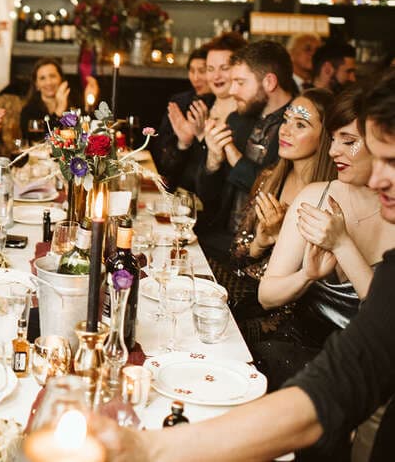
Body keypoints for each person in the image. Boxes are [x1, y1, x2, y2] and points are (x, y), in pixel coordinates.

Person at [97, 71, 395, 462]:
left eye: (388, 159)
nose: (375, 178)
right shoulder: (309, 189)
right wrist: (149, 447)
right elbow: (334, 387)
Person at [255, 85, 395, 392]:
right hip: (303, 340)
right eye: (332, 140)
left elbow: (385, 319)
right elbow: (266, 296)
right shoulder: (316, 197)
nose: (333, 152)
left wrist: (342, 244)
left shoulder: (391, 212)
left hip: (366, 359)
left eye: (349, 141)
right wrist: (307, 275)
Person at [221, 89, 336, 344]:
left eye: (300, 125)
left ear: (326, 137)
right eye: (286, 120)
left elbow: (317, 285)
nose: (285, 131)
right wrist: (260, 242)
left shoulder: (329, 197)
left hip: (286, 319)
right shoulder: (270, 177)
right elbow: (235, 259)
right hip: (242, 293)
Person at [197, 40, 296, 262]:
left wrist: (232, 153)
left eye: (240, 82)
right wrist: (212, 161)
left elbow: (272, 193)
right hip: (220, 238)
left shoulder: (295, 128)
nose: (232, 91)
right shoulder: (237, 120)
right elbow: (206, 196)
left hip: (264, 251)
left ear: (269, 82)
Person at [151, 47, 214, 192]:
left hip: (202, 189)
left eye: (202, 71)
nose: (196, 77)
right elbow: (160, 152)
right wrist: (182, 144)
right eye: (192, 71)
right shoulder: (179, 102)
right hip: (175, 184)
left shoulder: (220, 106)